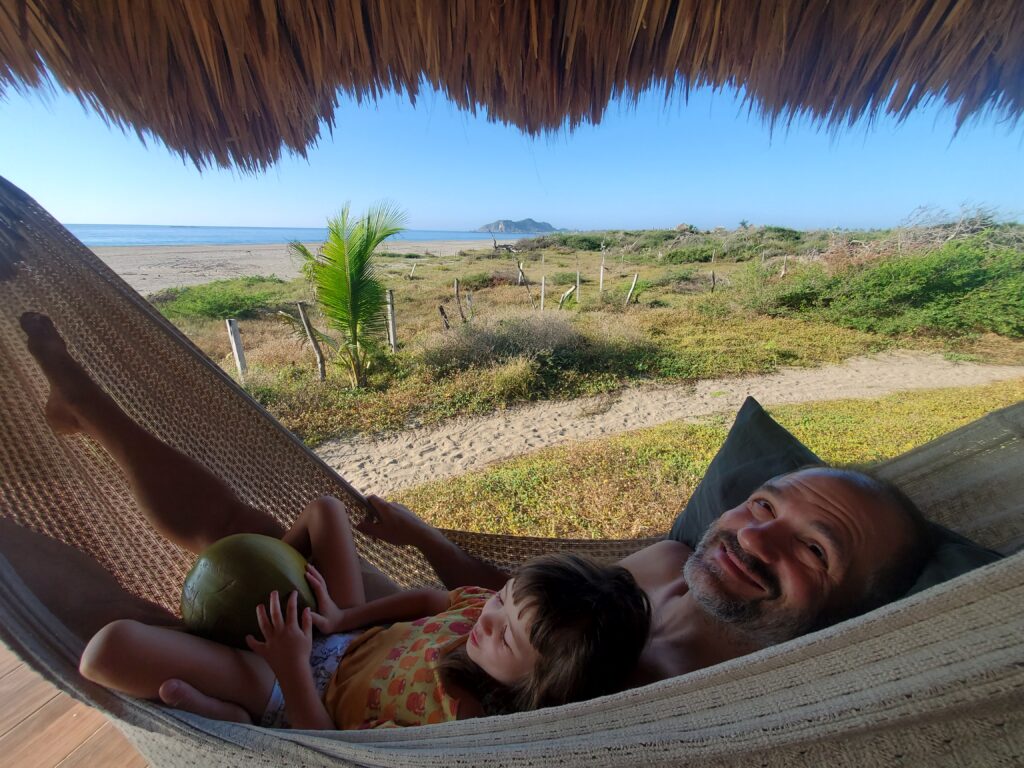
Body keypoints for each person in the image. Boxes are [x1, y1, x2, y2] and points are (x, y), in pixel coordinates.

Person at [19, 310, 931, 706]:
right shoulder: (665, 562)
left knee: (141, 628)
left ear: (848, 613)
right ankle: (88, 406)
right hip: (426, 632)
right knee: (248, 537)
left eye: (816, 549)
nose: (755, 536)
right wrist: (421, 537)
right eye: (763, 504)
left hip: (373, 699)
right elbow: (513, 593)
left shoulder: (720, 698)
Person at [19, 313, 649, 729]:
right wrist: (340, 618)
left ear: (541, 688)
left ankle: (234, 693)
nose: (489, 619)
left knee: (107, 652)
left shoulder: (461, 723)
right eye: (503, 600)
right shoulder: (480, 618)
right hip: (345, 632)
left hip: (294, 689)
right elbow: (432, 598)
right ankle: (236, 606)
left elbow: (336, 750)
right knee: (323, 512)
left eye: (507, 635)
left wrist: (293, 662)